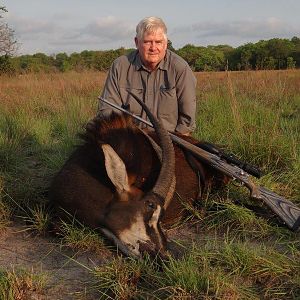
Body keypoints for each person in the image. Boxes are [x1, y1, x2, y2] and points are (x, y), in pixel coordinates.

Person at [98, 16, 197, 135]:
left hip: (169, 141)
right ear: (136, 42)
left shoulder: (180, 68)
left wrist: (172, 147)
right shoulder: (120, 66)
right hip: (130, 139)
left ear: (165, 44)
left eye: (158, 42)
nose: (153, 48)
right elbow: (108, 112)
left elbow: (187, 122)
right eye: (147, 42)